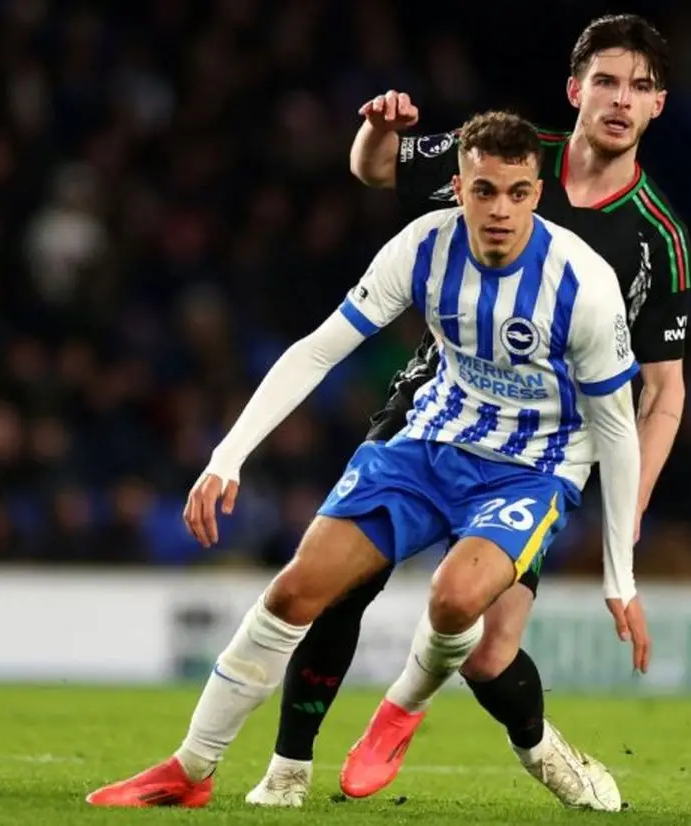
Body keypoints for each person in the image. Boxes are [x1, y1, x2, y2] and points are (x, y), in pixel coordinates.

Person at [84, 111, 646, 810]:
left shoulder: (583, 283)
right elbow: (320, 348)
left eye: (517, 192)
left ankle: (402, 706)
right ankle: (190, 769)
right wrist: (228, 455)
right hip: (429, 444)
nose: (500, 209)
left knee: (455, 598)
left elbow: (617, 429)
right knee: (296, 591)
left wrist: (620, 576)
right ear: (459, 188)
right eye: (483, 190)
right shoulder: (422, 247)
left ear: (536, 192)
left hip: (533, 467)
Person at [248, 13, 691, 810]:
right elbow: (374, 169)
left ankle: (538, 747)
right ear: (576, 90)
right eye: (607, 81)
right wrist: (379, 131)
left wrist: (630, 509)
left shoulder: (658, 238)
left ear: (659, 104)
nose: (622, 100)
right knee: (341, 584)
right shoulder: (509, 156)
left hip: (544, 451)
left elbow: (663, 391)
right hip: (436, 406)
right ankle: (287, 771)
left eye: (642, 87)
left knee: (489, 655)